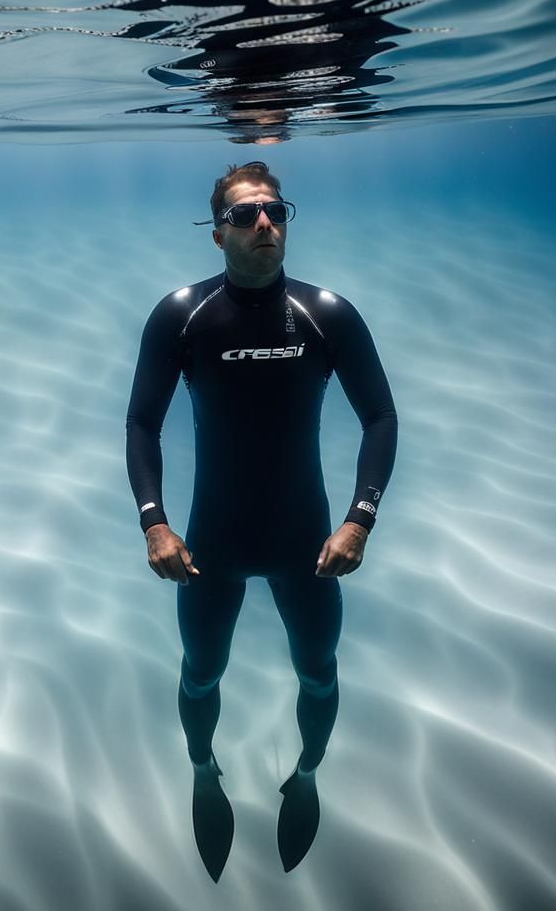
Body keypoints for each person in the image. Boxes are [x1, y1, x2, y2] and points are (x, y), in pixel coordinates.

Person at [124, 161, 398, 880]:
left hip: (305, 544)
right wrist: (154, 523)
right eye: (245, 215)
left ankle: (305, 775)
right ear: (218, 233)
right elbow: (141, 425)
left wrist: (359, 520)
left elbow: (380, 416)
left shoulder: (325, 315)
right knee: (201, 675)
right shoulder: (182, 315)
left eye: (275, 210)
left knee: (317, 673)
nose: (264, 224)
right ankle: (202, 770)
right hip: (209, 543)